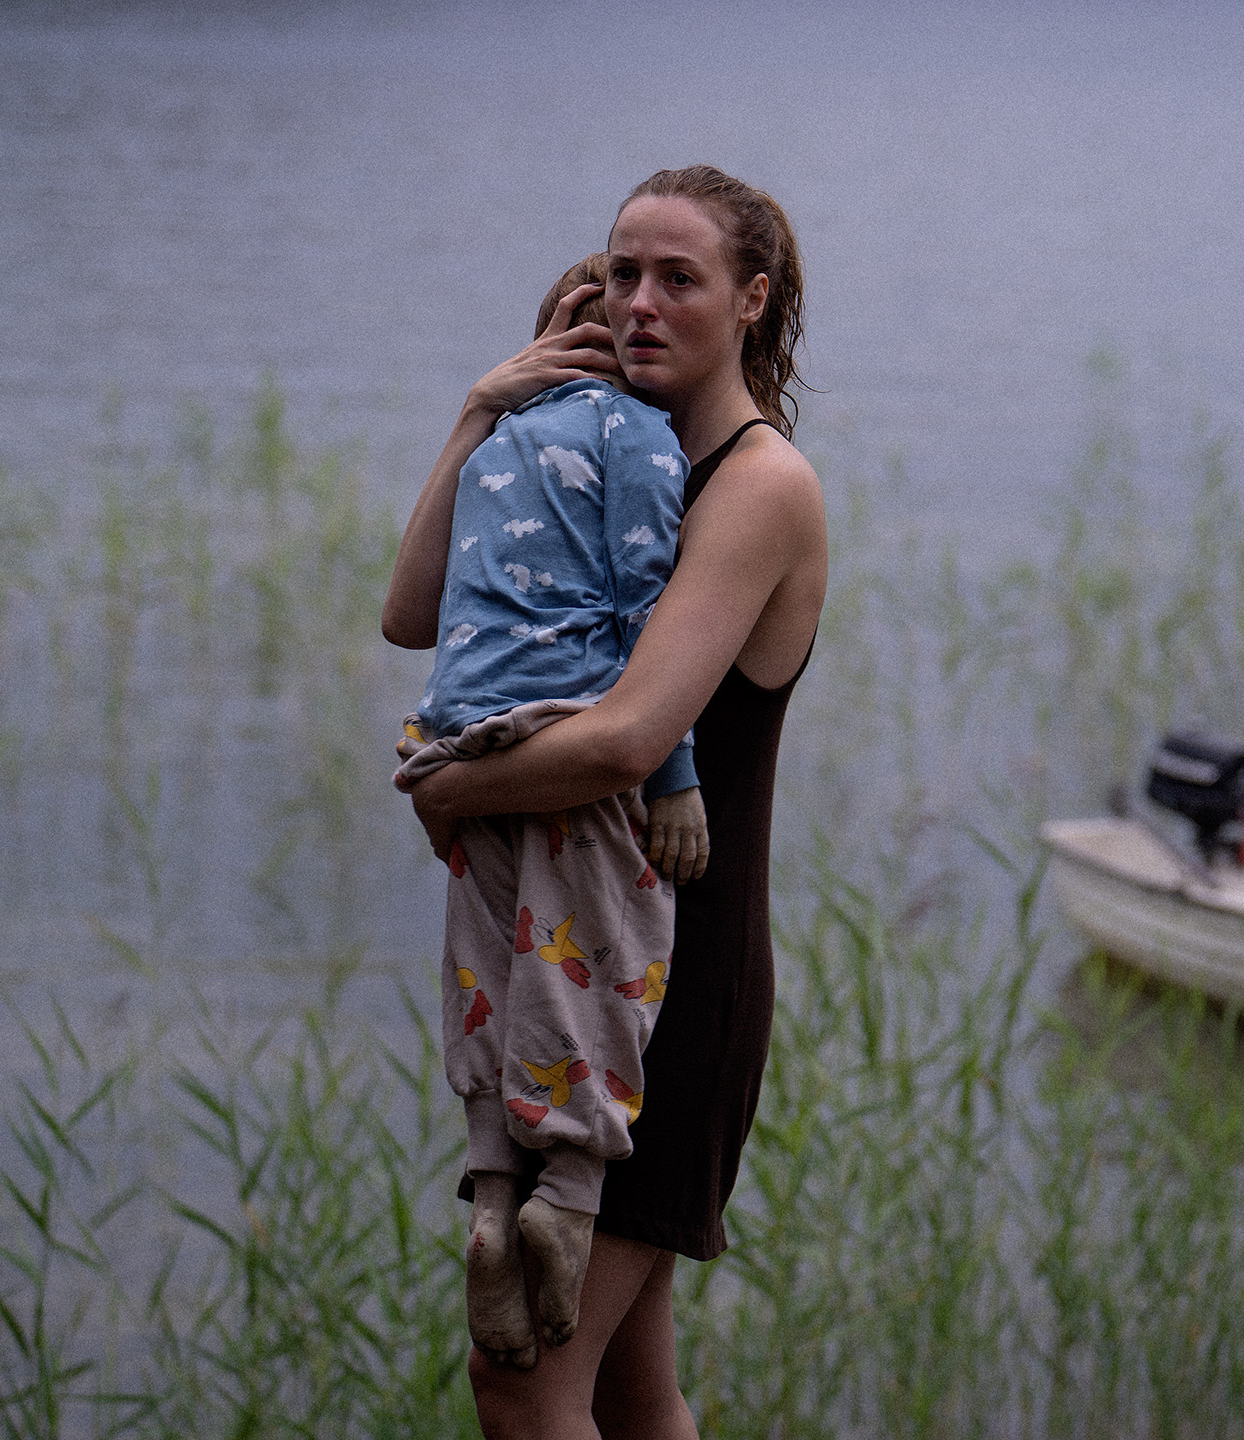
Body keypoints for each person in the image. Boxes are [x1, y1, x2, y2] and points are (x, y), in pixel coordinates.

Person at [383, 164, 825, 1440]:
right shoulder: (582, 452)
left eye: (676, 278)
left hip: (665, 988)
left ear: (749, 300)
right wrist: (481, 412)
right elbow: (412, 614)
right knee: (634, 1393)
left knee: (521, 1386)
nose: (638, 301)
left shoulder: (755, 485)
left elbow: (630, 739)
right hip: (568, 960)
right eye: (621, 272)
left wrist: (450, 784)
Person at [384, 255, 711, 1371]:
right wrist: (674, 777)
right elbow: (643, 608)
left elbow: (411, 619)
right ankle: (564, 1193)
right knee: (597, 958)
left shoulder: (498, 447)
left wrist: (482, 405)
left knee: (491, 958)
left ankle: (487, 1186)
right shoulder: (643, 439)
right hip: (565, 731)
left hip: (456, 726)